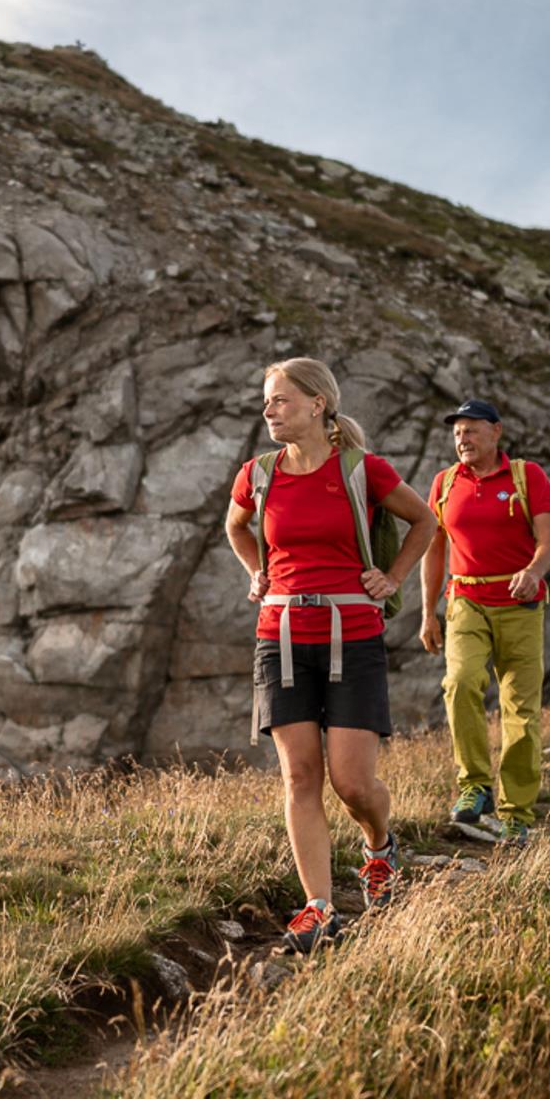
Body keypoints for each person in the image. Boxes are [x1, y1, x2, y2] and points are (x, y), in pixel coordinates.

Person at [224, 358, 437, 952]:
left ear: (318, 404)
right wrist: (256, 572)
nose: (269, 410)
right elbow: (236, 527)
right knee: (299, 775)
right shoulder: (258, 474)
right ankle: (317, 908)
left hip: (353, 633)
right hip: (282, 635)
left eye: (280, 400)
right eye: (267, 401)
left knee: (352, 781)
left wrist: (392, 578)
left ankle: (379, 847)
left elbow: (425, 521)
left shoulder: (363, 470)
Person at [418, 399, 550, 846]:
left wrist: (534, 572)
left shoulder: (526, 476)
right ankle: (474, 786)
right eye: (457, 432)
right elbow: (433, 548)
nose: (463, 439)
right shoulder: (444, 483)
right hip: (465, 601)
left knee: (520, 710)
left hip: (520, 605)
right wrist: (428, 612)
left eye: (472, 430)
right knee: (460, 683)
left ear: (496, 432)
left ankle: (517, 812)